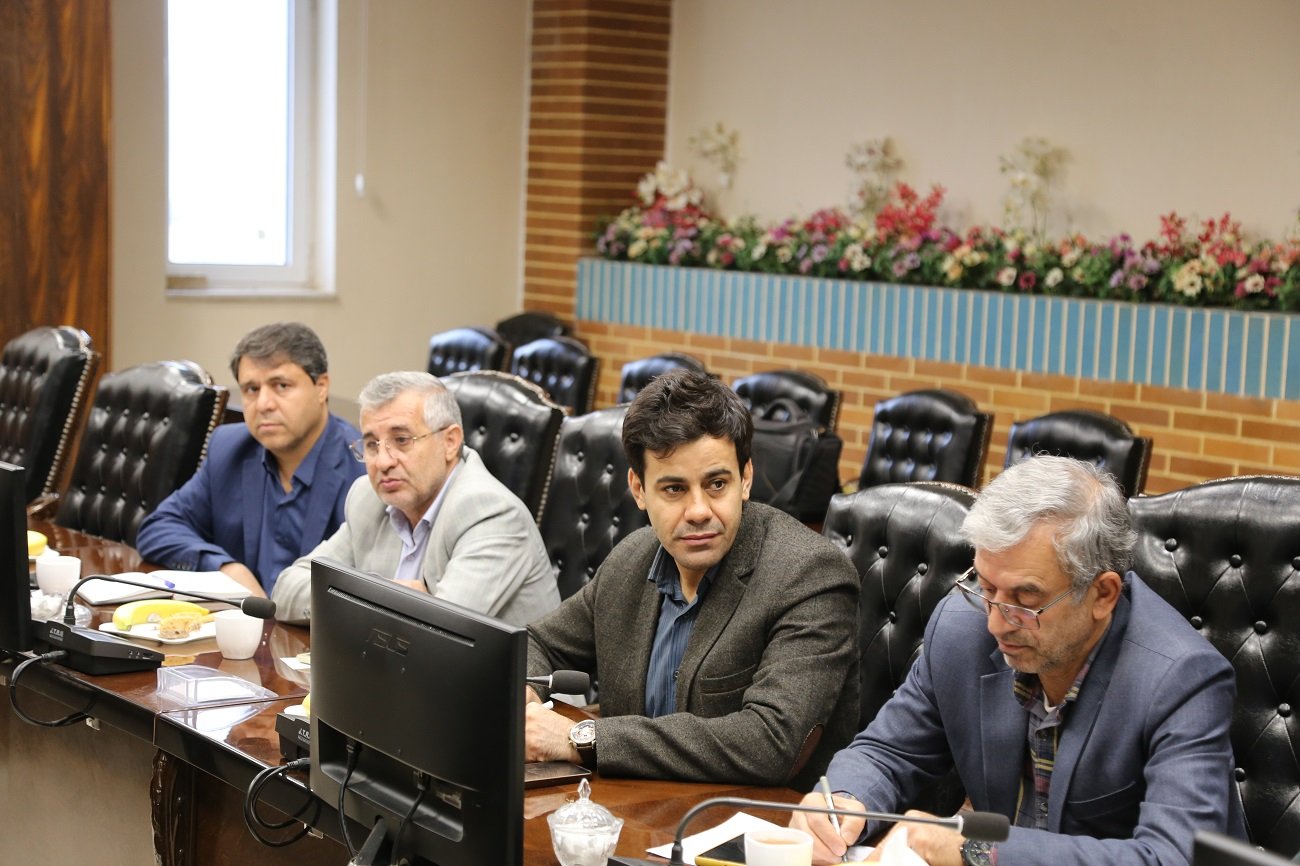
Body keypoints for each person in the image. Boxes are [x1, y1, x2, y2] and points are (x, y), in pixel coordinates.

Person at [794, 456, 1244, 866]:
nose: (996, 623)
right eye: (987, 587)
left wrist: (977, 848)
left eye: (1025, 599)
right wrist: (843, 803)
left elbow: (1171, 858)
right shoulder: (962, 626)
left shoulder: (1180, 678)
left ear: (1103, 594)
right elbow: (889, 751)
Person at [523, 368, 859, 789]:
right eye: (674, 489)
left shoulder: (809, 575)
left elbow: (772, 743)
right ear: (639, 489)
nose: (699, 511)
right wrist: (525, 697)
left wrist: (584, 738)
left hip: (756, 820)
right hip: (632, 804)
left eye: (716, 484)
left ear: (746, 479)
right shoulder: (631, 560)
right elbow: (535, 643)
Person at [271, 371, 559, 626]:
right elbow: (286, 590)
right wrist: (388, 597)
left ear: (450, 442)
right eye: (371, 444)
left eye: (401, 440)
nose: (383, 461)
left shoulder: (490, 513)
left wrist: (350, 595)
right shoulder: (368, 498)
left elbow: (439, 634)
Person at [136, 322, 362, 597]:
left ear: (321, 387)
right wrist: (226, 569)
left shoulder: (363, 468)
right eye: (252, 389)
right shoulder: (229, 449)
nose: (264, 404)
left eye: (281, 386)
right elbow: (158, 528)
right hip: (241, 620)